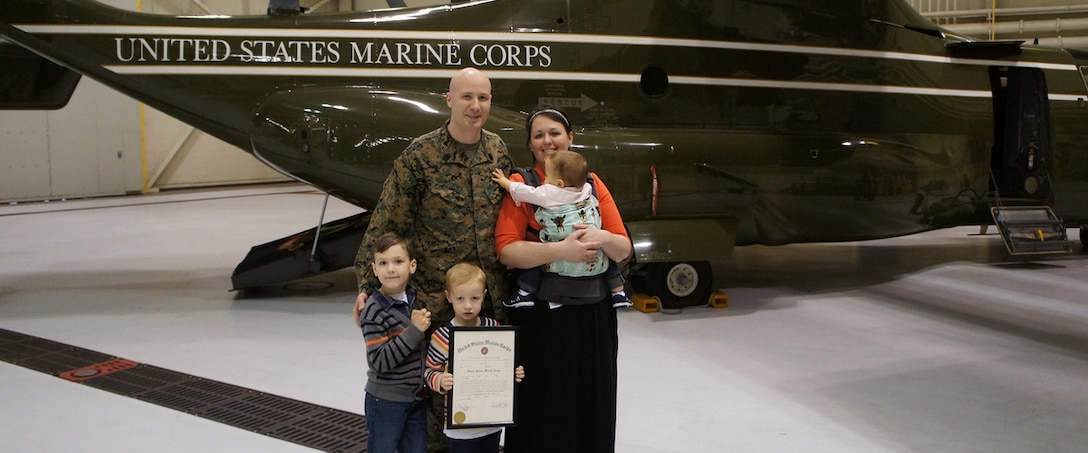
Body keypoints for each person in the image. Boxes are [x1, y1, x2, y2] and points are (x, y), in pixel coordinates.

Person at [353, 67, 513, 453]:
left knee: (481, 400)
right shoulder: (420, 156)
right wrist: (366, 284)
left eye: (484, 98)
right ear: (449, 100)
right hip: (436, 302)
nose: (475, 106)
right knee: (432, 399)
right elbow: (388, 222)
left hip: (486, 300)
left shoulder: (497, 151)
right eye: (466, 97)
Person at [494, 105, 632, 453]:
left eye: (554, 133)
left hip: (592, 317)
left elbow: (623, 248)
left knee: (591, 401)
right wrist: (561, 252)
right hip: (543, 318)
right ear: (530, 144)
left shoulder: (592, 184)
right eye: (538, 135)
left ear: (570, 138)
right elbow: (506, 250)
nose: (547, 141)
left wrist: (599, 238)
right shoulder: (524, 185)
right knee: (544, 407)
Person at [490, 150, 631, 310]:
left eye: (547, 178)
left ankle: (525, 293)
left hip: (558, 259)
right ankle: (618, 292)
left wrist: (504, 182)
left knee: (538, 266)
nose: (544, 181)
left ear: (559, 184)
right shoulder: (587, 189)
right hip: (592, 252)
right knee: (607, 260)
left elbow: (524, 192)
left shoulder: (550, 193)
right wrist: (602, 237)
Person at [424, 263, 526, 453]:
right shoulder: (442, 337)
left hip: (492, 422)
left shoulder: (494, 328)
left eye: (475, 298)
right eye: (460, 298)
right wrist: (440, 380)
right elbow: (429, 372)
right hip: (460, 428)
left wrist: (512, 373)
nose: (468, 305)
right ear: (449, 297)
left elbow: (502, 365)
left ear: (484, 295)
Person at [359, 232, 432, 453]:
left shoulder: (414, 299)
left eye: (398, 261)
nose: (391, 269)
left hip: (416, 399)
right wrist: (414, 331)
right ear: (374, 269)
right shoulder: (373, 311)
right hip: (386, 402)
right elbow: (379, 361)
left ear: (412, 266)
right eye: (383, 263)